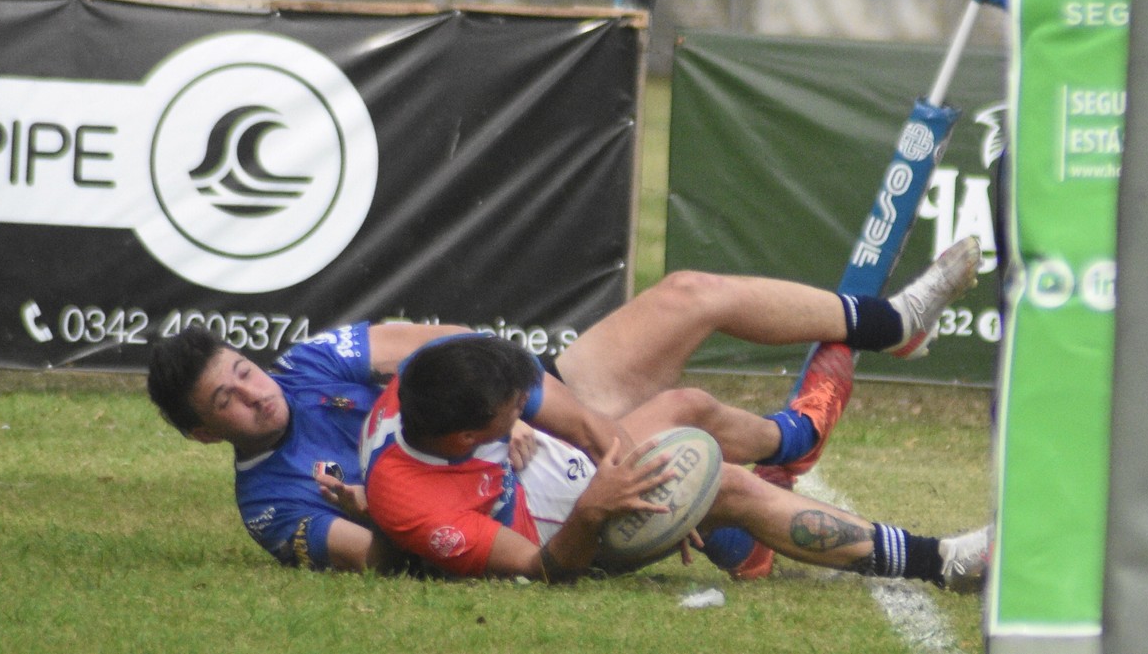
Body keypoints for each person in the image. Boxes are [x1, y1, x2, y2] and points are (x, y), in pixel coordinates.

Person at [145, 236, 981, 574]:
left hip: (519, 403)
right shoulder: (269, 501)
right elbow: (394, 554)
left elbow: (466, 348)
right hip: (508, 491)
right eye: (228, 397)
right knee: (692, 434)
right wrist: (406, 505)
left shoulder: (315, 361)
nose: (255, 391)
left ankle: (888, 329)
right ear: (199, 431)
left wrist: (511, 417)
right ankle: (789, 467)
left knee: (690, 297)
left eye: (244, 369)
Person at [360, 332, 990, 591]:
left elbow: (585, 425)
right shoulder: (412, 503)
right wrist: (600, 511)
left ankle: (795, 439)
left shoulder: (439, 374)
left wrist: (653, 476)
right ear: (467, 438)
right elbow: (541, 569)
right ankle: (943, 561)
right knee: (729, 488)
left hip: (556, 476)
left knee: (685, 408)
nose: (524, 407)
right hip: (559, 533)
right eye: (512, 411)